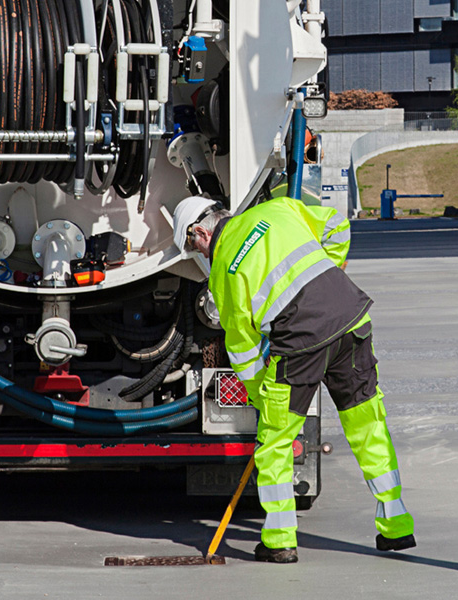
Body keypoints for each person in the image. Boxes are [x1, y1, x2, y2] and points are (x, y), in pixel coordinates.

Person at [173, 194, 415, 564]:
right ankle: (396, 525)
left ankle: (280, 540)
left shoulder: (223, 272)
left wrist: (262, 401)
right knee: (368, 422)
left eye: (194, 248)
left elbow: (242, 352)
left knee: (275, 443)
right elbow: (336, 224)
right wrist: (328, 279)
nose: (200, 257)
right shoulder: (278, 209)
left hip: (301, 341)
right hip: (351, 316)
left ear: (199, 234)